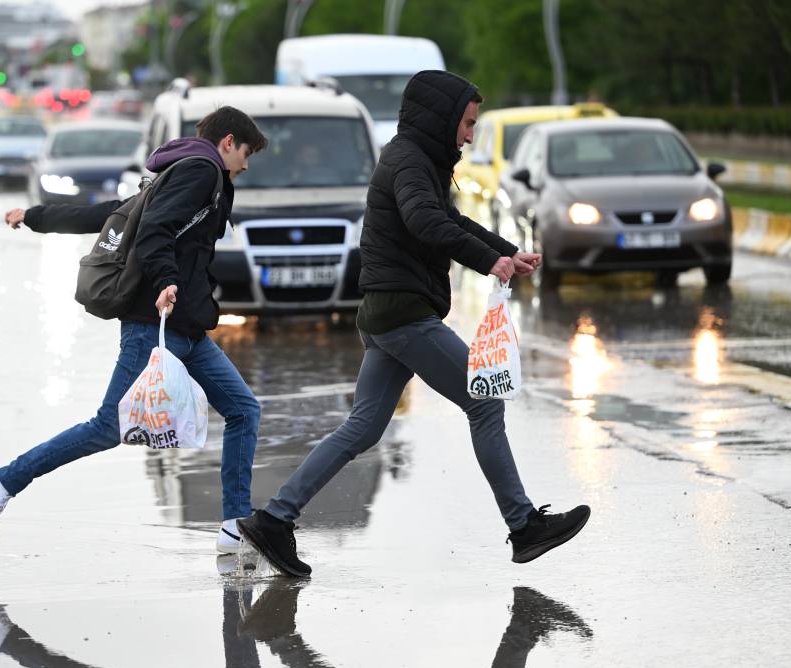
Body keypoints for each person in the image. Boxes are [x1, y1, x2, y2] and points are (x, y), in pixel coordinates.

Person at [237, 71, 591, 576]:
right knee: (484, 400)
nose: (470, 135)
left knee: (361, 428)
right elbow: (425, 222)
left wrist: (507, 251)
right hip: (403, 313)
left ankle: (274, 521)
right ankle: (524, 526)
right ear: (443, 118)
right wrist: (487, 263)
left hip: (388, 312)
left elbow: (450, 220)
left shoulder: (414, 159)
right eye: (467, 124)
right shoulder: (408, 161)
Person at [0, 106, 269, 556]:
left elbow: (114, 214)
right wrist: (167, 280)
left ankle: (233, 527)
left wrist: (36, 216)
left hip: (184, 327)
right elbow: (151, 229)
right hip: (155, 323)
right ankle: (1, 482)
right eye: (245, 153)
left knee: (244, 409)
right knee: (107, 427)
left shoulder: (181, 170)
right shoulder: (202, 172)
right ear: (228, 142)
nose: (245, 165)